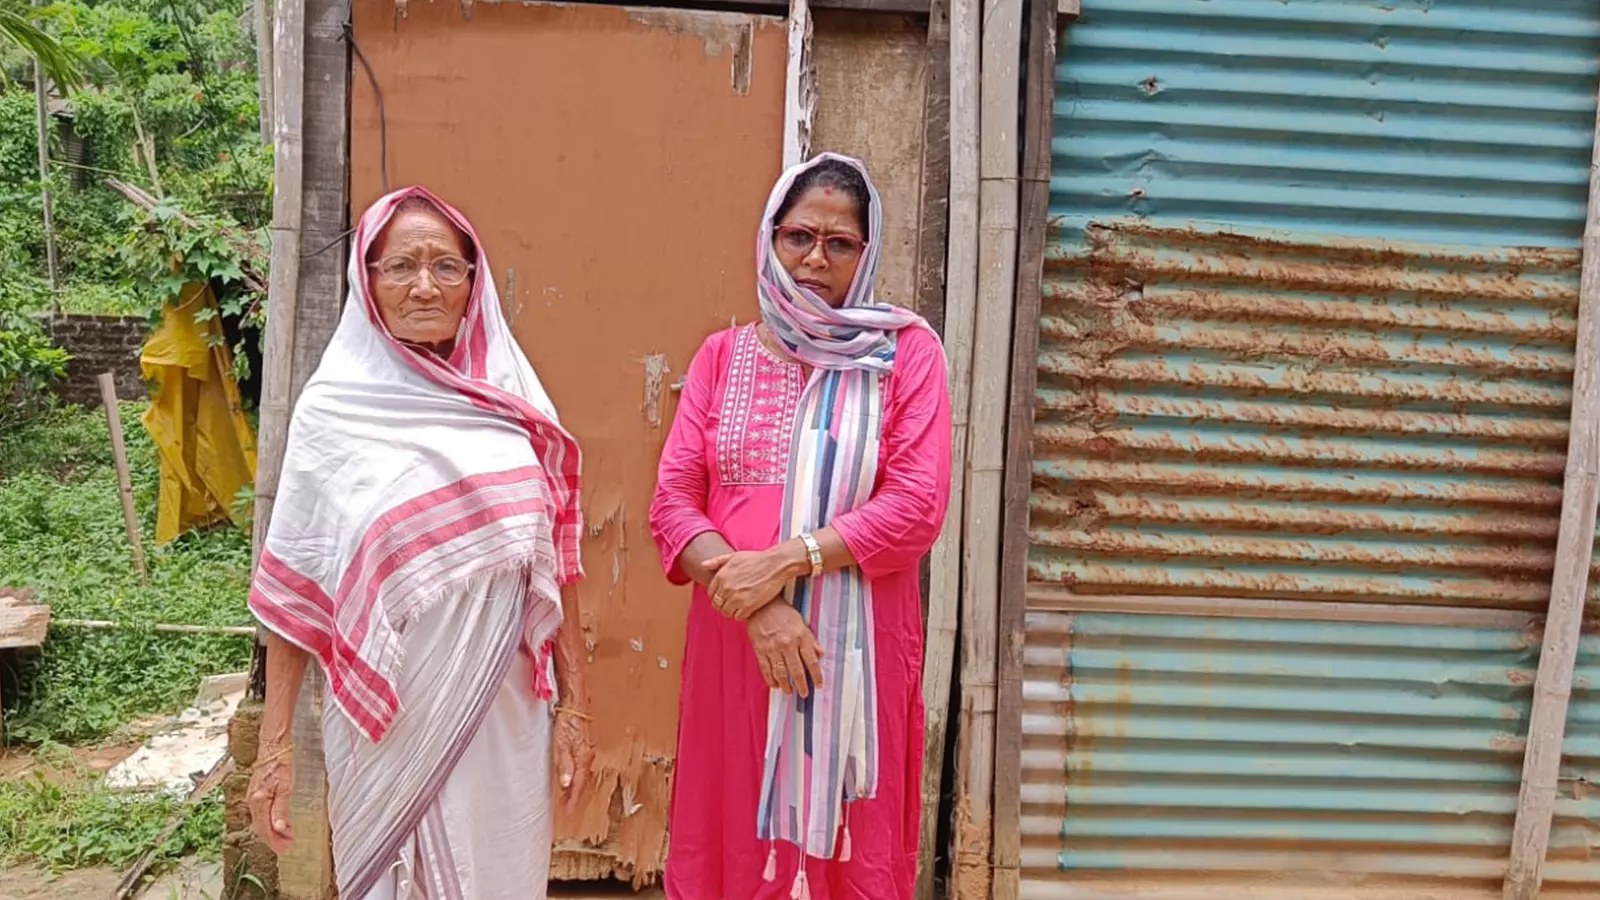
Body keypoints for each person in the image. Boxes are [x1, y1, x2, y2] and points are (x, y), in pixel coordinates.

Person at [245, 186, 595, 900]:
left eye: (446, 266)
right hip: (387, 723)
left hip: (500, 716)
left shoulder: (514, 406)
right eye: (400, 266)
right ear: (367, 282)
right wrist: (273, 747)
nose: (425, 286)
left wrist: (578, 710)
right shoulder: (332, 412)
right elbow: (295, 593)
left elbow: (557, 568)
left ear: (475, 282)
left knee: (500, 875)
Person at [649, 153, 953, 900]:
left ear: (866, 251)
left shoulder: (903, 356)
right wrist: (757, 604)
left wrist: (784, 563)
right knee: (730, 840)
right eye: (799, 237)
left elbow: (917, 506)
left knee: (853, 848)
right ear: (770, 240)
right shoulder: (722, 358)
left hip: (857, 656)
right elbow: (672, 505)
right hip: (736, 649)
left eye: (840, 243)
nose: (816, 258)